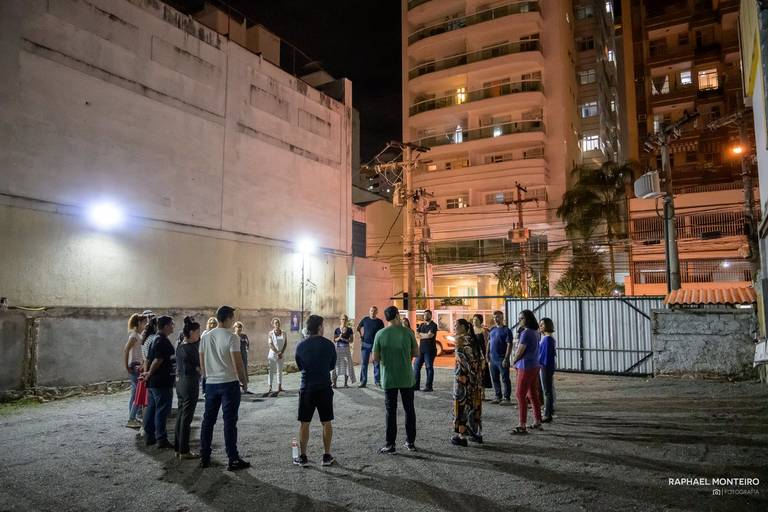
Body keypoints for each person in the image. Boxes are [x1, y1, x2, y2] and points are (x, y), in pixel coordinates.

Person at [199, 306, 250, 471]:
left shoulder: (205, 337)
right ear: (227, 318)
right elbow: (238, 362)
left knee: (208, 421)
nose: (234, 320)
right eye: (232, 317)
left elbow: (202, 362)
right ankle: (232, 458)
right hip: (228, 383)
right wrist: (244, 380)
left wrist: (207, 377)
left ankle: (204, 457)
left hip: (211, 383)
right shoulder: (232, 337)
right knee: (229, 422)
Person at [293, 315, 337, 467]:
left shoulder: (300, 346)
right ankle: (326, 455)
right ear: (319, 327)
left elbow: (300, 366)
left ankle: (303, 456)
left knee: (304, 423)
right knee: (326, 422)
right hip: (324, 386)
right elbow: (332, 365)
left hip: (307, 388)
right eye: (323, 326)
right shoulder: (329, 345)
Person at [374, 306, 419, 454]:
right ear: (398, 315)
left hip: (389, 377)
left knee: (390, 411)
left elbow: (375, 358)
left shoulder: (380, 334)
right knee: (409, 409)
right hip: (406, 376)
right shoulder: (408, 332)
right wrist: (405, 358)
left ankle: (390, 444)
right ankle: (410, 442)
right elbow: (416, 353)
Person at [506, 309, 543, 434]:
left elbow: (520, 351)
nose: (519, 320)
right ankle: (537, 420)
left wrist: (513, 361)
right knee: (533, 394)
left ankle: (522, 425)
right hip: (534, 365)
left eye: (521, 318)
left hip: (525, 366)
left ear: (527, 319)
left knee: (520, 394)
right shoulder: (536, 332)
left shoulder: (526, 333)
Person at [142, 315, 176, 449]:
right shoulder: (162, 340)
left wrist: (147, 374)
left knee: (151, 408)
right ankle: (161, 438)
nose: (173, 326)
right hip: (161, 381)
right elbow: (158, 359)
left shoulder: (155, 339)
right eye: (172, 324)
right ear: (166, 326)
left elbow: (148, 360)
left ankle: (149, 436)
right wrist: (149, 373)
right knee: (162, 410)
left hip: (154, 382)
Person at [451, 318, 484, 446]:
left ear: (464, 327)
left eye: (456, 325)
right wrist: (476, 377)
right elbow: (481, 359)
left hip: (463, 379)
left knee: (461, 405)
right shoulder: (473, 340)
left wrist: (469, 373)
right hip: (475, 381)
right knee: (473, 405)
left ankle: (462, 436)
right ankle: (476, 433)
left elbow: (463, 361)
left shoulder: (459, 340)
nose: (454, 327)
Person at [174, 317, 201, 459]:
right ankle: (184, 450)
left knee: (181, 415)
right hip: (189, 382)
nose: (199, 334)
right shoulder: (190, 348)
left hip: (180, 383)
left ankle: (178, 447)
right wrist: (198, 369)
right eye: (197, 332)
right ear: (191, 332)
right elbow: (198, 366)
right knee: (186, 417)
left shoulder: (180, 346)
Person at [124, 313, 147, 429]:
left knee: (134, 394)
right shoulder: (134, 336)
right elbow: (126, 350)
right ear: (139, 323)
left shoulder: (138, 335)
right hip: (135, 367)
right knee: (138, 394)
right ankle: (131, 419)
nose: (145, 325)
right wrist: (127, 366)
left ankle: (132, 417)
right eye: (144, 322)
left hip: (136, 366)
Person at [488, 311, 513, 405]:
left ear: (502, 318)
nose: (496, 319)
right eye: (494, 317)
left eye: (498, 317)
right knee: (495, 378)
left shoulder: (507, 330)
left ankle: (507, 398)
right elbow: (489, 342)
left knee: (505, 379)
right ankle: (498, 396)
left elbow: (509, 345)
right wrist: (487, 354)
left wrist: (506, 358)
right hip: (493, 359)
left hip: (502, 358)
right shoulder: (492, 330)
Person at [357, 306, 385, 388]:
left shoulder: (379, 322)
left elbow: (382, 333)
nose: (373, 312)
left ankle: (377, 381)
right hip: (365, 344)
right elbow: (358, 328)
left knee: (376, 364)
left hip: (375, 345)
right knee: (364, 364)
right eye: (371, 310)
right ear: (369, 311)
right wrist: (360, 336)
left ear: (377, 312)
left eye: (374, 311)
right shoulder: (365, 319)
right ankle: (363, 382)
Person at [413, 310, 438, 392]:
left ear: (431, 315)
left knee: (429, 367)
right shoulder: (421, 325)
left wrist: (422, 335)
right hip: (421, 349)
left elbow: (430, 336)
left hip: (430, 350)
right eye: (424, 315)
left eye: (427, 314)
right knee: (416, 366)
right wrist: (425, 335)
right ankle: (416, 385)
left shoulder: (433, 325)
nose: (425, 316)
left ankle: (429, 387)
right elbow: (416, 335)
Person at [538, 317, 557, 423]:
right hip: (546, 366)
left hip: (545, 367)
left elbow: (545, 356)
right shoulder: (546, 338)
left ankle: (547, 414)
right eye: (540, 324)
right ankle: (548, 411)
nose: (540, 326)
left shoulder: (547, 339)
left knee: (547, 392)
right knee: (548, 391)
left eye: (542, 325)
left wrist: (541, 365)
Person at [331, 315, 356, 388]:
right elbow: (334, 339)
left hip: (346, 349)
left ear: (347, 320)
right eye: (343, 319)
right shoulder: (337, 330)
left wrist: (345, 339)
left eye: (345, 319)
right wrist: (339, 337)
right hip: (338, 349)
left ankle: (345, 383)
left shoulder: (349, 329)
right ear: (340, 320)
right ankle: (334, 383)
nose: (344, 321)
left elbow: (351, 341)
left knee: (347, 366)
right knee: (336, 365)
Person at [472, 314, 492, 399]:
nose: (475, 321)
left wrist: (487, 355)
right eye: (473, 320)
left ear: (481, 321)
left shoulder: (484, 331)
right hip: (473, 356)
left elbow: (487, 343)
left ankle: (482, 393)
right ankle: (475, 392)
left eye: (476, 320)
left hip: (482, 356)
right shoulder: (471, 331)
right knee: (474, 374)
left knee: (483, 373)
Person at [266, 318, 287, 397]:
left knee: (280, 371)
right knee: (271, 371)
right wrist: (277, 352)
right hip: (273, 354)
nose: (277, 324)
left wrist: (281, 352)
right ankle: (270, 387)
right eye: (275, 323)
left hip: (281, 354)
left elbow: (285, 343)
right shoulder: (270, 333)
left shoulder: (284, 333)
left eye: (278, 322)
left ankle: (279, 387)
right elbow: (270, 344)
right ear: (273, 324)